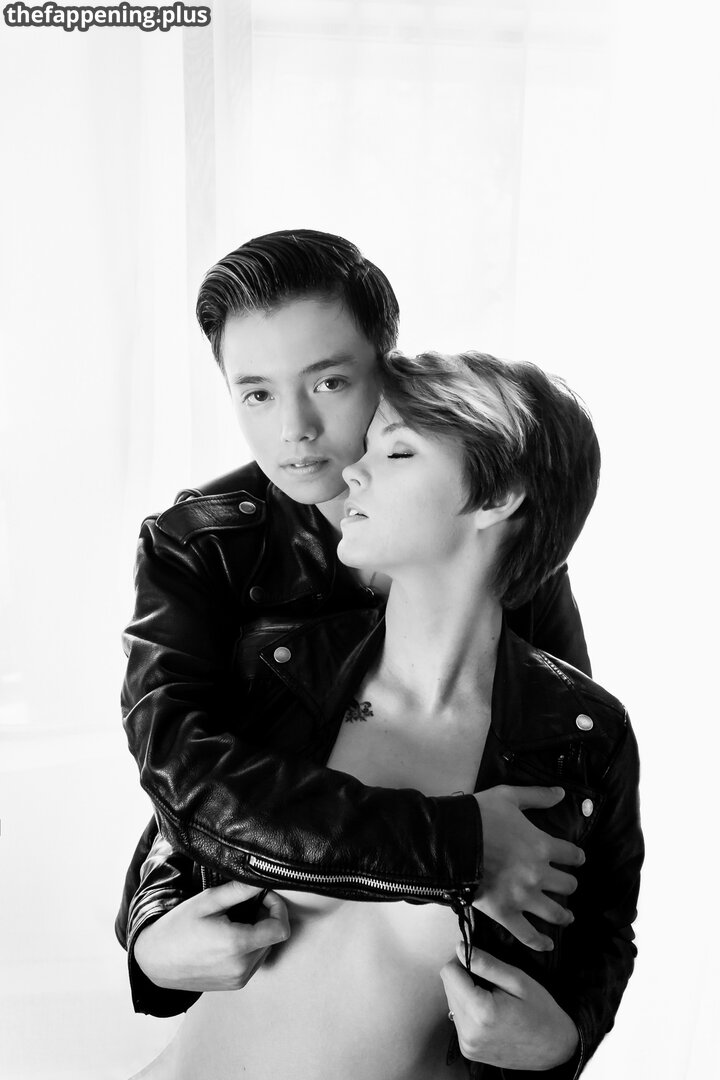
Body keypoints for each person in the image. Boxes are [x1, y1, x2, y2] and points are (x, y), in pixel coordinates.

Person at [124, 350, 642, 1080]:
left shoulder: (581, 736)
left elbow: (603, 936)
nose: (354, 472)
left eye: (396, 452)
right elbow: (183, 828)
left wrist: (563, 1044)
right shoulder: (283, 670)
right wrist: (151, 942)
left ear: (499, 496)